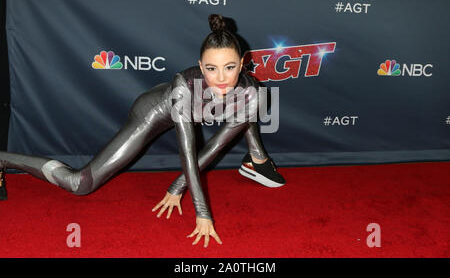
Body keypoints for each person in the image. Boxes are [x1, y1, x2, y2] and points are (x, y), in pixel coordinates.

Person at [0, 14, 285, 247]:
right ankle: (3, 159)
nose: (221, 78)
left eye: (230, 67)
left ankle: (257, 160)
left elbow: (216, 147)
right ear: (200, 66)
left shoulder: (253, 91)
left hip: (216, 105)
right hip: (152, 112)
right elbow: (187, 150)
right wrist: (202, 212)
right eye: (211, 68)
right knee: (80, 184)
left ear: (243, 63)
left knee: (248, 107)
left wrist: (177, 186)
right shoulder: (184, 86)